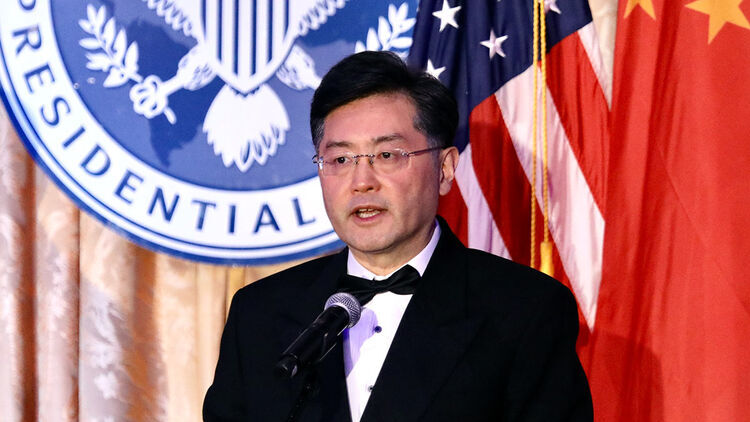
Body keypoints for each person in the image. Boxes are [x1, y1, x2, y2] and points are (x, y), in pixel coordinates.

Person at [203, 51, 593, 422]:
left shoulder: (524, 311)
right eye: (340, 159)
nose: (361, 181)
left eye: (387, 155)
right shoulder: (259, 314)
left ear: (445, 169)